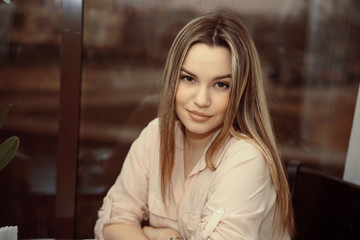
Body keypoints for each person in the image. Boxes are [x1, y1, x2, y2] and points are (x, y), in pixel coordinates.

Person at [95, 11, 295, 240]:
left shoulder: (246, 158)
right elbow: (113, 222)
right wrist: (161, 237)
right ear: (172, 80)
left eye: (221, 84)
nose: (201, 100)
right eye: (189, 78)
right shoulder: (156, 135)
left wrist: (154, 233)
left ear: (241, 92)